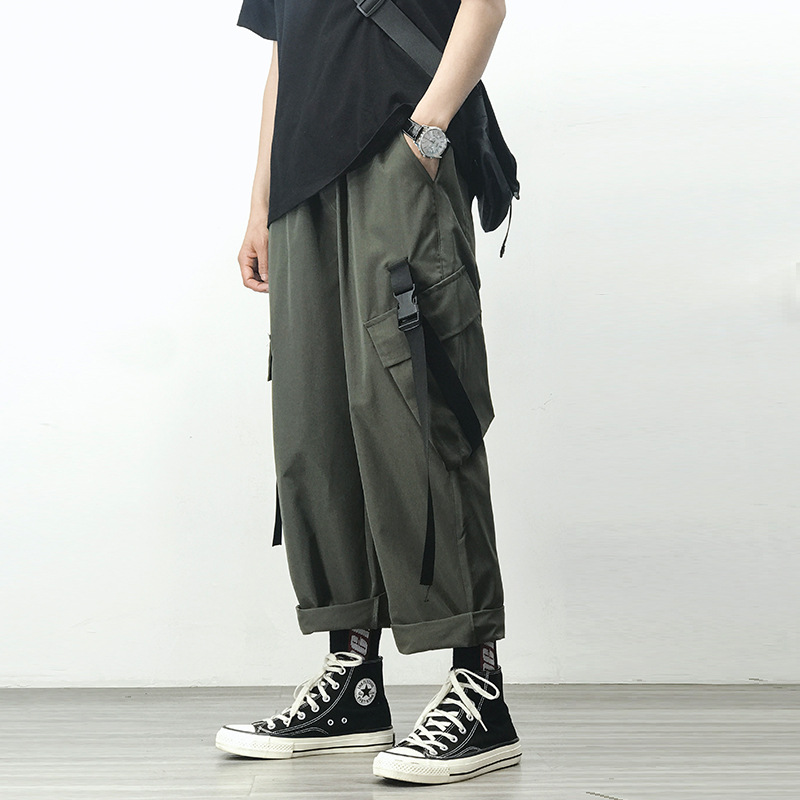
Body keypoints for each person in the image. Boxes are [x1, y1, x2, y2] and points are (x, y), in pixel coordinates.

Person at [215, 0, 520, 785]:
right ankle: (353, 680)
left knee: (416, 409)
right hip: (302, 187)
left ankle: (478, 689)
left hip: (400, 156)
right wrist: (261, 203)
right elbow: (286, 54)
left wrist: (428, 134)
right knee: (315, 422)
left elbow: (484, 6)